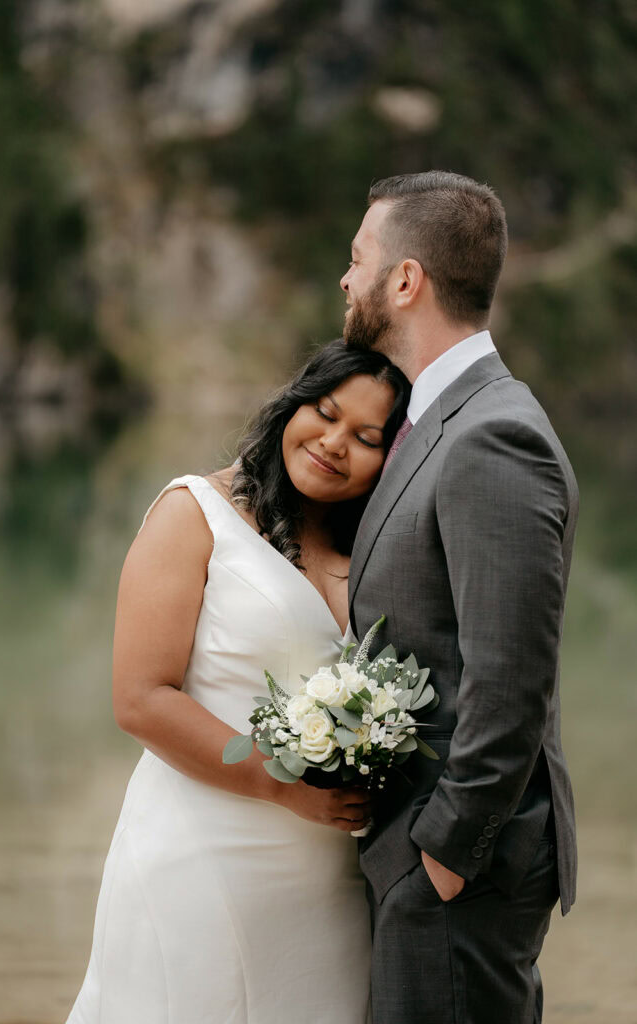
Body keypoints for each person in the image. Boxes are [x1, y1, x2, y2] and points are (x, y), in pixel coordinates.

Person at [65, 339, 411, 1024]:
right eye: (325, 411)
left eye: (366, 437)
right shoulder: (194, 511)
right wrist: (280, 786)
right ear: (294, 402)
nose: (334, 443)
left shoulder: (373, 550)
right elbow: (140, 699)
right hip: (203, 854)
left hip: (329, 877)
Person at [342, 170, 578, 1024]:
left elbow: (511, 677)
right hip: (423, 858)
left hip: (456, 870)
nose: (345, 276)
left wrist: (442, 854)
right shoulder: (435, 420)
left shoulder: (494, 435)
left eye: (359, 256)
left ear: (406, 281)